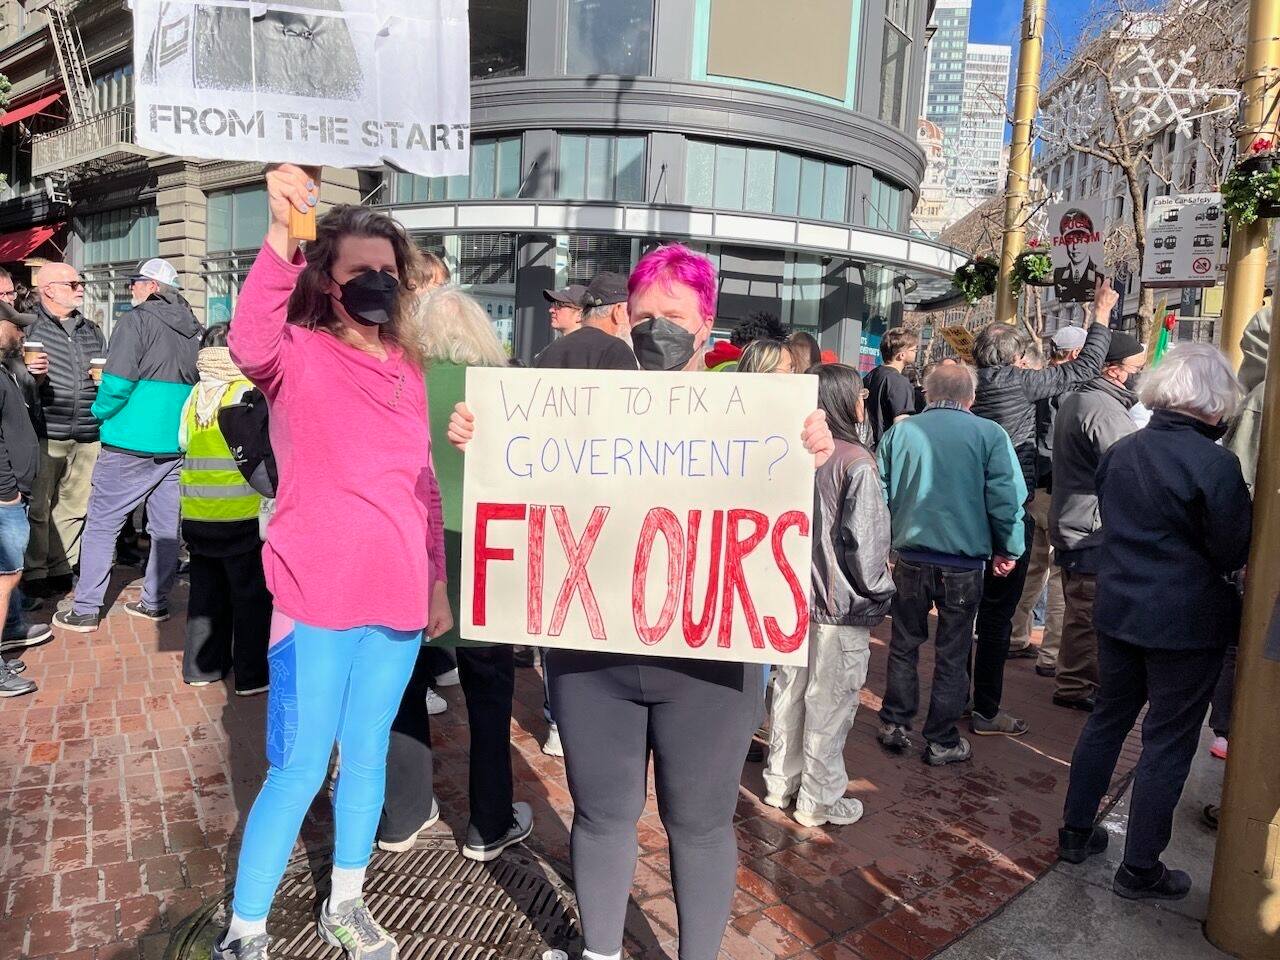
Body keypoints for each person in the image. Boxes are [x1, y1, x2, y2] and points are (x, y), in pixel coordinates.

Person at [447, 243, 833, 960]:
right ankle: (599, 951)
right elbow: (527, 485)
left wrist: (809, 452)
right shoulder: (577, 410)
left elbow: (775, 528)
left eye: (675, 316)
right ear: (624, 317)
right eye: (646, 314)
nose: (659, 329)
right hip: (593, 657)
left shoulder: (757, 414)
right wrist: (483, 438)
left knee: (701, 824)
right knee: (600, 816)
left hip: (709, 666)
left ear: (706, 322)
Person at [214, 164, 451, 960]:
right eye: (360, 270)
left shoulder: (412, 370)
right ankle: (246, 929)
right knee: (298, 768)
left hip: (400, 599)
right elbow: (249, 338)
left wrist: (437, 581)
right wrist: (285, 230)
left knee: (368, 754)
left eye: (389, 271)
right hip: (314, 599)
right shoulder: (296, 355)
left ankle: (346, 903)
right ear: (327, 279)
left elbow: (425, 484)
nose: (377, 282)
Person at [1058, 344, 1250, 902]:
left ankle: (1075, 831)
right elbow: (1231, 548)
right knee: (1168, 740)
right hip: (1185, 623)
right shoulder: (1216, 465)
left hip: (1119, 608)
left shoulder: (1124, 451)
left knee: (1107, 720)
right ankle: (1140, 866)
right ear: (1214, 403)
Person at [378, 286, 533, 862]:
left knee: (403, 687)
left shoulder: (400, 385)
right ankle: (488, 822)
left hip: (412, 554)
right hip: (486, 555)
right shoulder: (505, 391)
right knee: (490, 697)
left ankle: (404, 814)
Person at [968, 278, 1115, 738]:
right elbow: (1084, 367)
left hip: (970, 510)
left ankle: (957, 698)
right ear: (1015, 358)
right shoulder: (1016, 382)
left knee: (968, 614)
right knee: (998, 611)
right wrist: (1101, 314)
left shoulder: (973, 383)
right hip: (1009, 508)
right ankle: (985, 709)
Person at [875, 363, 1026, 763]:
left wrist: (885, 546)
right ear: (970, 398)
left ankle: (895, 722)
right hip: (963, 563)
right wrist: (1009, 548)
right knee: (953, 652)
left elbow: (880, 494)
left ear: (927, 393)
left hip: (910, 557)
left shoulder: (901, 433)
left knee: (904, 643)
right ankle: (941, 739)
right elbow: (1007, 499)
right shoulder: (990, 434)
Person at [763, 363, 892, 826]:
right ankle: (818, 799)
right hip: (839, 604)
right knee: (830, 703)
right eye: (860, 395)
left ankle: (781, 783)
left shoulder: (790, 453)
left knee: (790, 694)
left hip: (793, 599)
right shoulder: (856, 463)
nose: (864, 403)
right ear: (845, 401)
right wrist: (881, 593)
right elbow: (867, 548)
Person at [53, 259, 201, 632]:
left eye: (135, 281)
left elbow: (117, 382)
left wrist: (99, 410)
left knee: (103, 524)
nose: (130, 287)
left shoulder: (136, 321)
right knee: (165, 527)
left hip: (130, 440)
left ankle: (86, 609)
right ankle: (154, 601)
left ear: (152, 286)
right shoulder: (192, 326)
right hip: (174, 442)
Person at [1048, 331, 1145, 712]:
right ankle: (1076, 683)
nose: (1141, 375)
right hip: (1088, 528)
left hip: (1078, 522)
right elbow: (1128, 469)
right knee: (1086, 613)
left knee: (1081, 609)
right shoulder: (1102, 409)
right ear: (1114, 371)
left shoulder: (1083, 399)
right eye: (1137, 368)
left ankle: (1075, 679)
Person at [178, 324, 271, 695]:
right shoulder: (247, 391)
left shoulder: (195, 395)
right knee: (249, 597)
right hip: (241, 514)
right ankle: (252, 676)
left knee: (205, 595)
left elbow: (182, 441)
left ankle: (202, 667)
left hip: (197, 514)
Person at [22, 262, 105, 598]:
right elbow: (16, 380)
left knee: (74, 506)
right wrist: (33, 376)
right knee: (39, 507)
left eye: (80, 282)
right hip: (45, 430)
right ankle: (35, 571)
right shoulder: (30, 328)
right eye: (73, 283)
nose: (80, 288)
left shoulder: (92, 330)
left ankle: (62, 566)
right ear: (49, 290)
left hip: (87, 431)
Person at [1007, 325, 1085, 675]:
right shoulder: (1074, 391)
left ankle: (1015, 636)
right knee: (1057, 575)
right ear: (1075, 354)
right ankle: (1051, 653)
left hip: (1032, 487)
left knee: (1030, 568)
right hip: (1059, 490)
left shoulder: (1033, 383)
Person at [0, 317, 41, 698]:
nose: (22, 332)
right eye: (15, 325)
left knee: (7, 577)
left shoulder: (6, 369)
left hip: (11, 493)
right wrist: (7, 492)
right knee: (4, 579)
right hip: (4, 497)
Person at [532, 272, 636, 371]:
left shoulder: (547, 353)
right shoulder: (616, 350)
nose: (633, 320)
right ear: (618, 311)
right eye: (630, 311)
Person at [862, 328, 918, 447]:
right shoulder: (899, 382)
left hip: (868, 447)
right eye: (914, 350)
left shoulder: (871, 375)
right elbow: (902, 425)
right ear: (902, 355)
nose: (916, 352)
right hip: (885, 449)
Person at [1052, 210, 1101, 303]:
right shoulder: (1058, 274)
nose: (1075, 247)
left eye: (1080, 240)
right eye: (1070, 241)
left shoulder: (1099, 276)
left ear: (1089, 241)